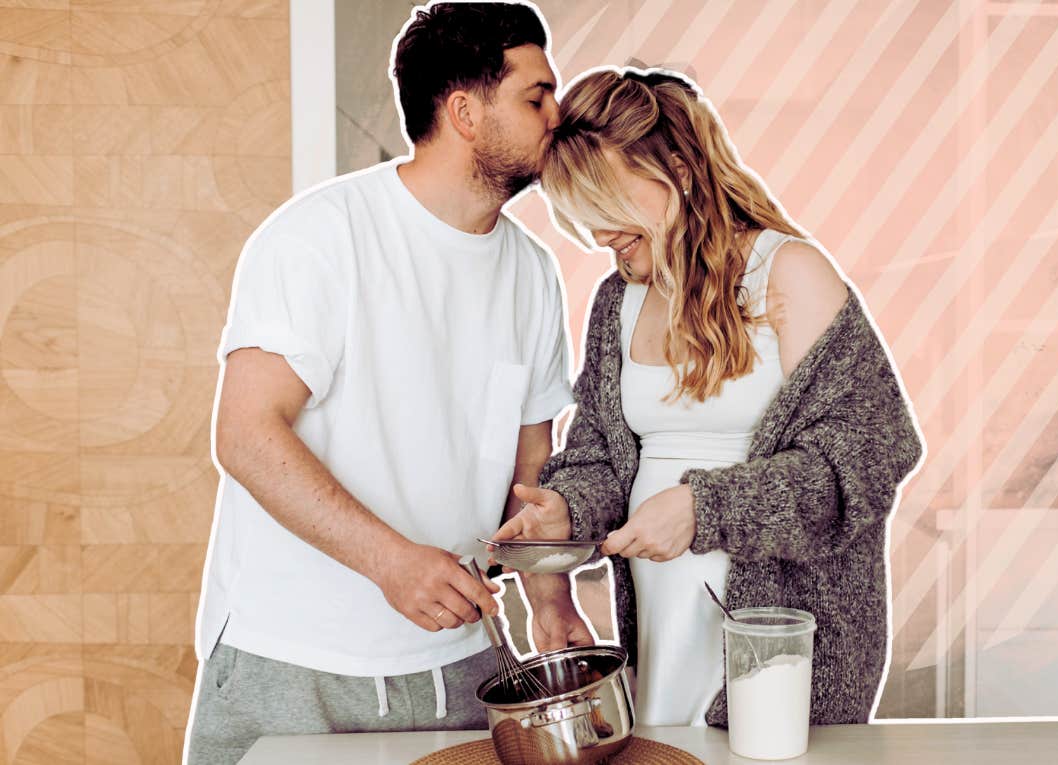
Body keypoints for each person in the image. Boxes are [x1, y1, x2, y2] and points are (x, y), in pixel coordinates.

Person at [185, 4, 591, 762]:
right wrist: (390, 561)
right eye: (535, 96)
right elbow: (244, 434)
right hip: (296, 660)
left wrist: (549, 599)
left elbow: (528, 463)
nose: (556, 114)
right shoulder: (322, 237)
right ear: (464, 112)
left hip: (463, 662)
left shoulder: (533, 274)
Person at [493, 67, 923, 728]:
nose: (594, 233)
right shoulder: (618, 300)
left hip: (783, 631)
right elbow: (601, 457)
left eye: (605, 200)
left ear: (680, 171)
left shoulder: (788, 272)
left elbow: (863, 458)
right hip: (665, 617)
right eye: (578, 209)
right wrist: (569, 509)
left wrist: (704, 508)